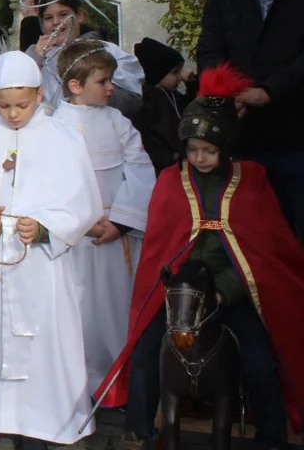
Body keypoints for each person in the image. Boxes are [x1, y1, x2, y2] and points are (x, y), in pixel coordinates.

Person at [97, 64, 304, 450]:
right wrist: (179, 289)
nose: (200, 158)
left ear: (226, 147)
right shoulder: (172, 181)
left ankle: (272, 436)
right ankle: (139, 429)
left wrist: (225, 290)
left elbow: (264, 254)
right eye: (193, 150)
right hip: (181, 295)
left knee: (260, 360)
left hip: (232, 292)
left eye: (209, 150)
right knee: (146, 352)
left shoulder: (252, 179)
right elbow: (162, 245)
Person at [0, 51, 102, 448]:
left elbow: (82, 202)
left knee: (43, 351)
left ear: (40, 94)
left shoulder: (62, 138)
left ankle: (40, 425)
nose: (12, 114)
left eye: (22, 105)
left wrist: (46, 227)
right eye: (3, 105)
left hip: (41, 269)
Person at [196, 0, 304, 239]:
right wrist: (227, 95)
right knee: (254, 245)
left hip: (298, 135)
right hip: (244, 138)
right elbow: (210, 53)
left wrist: (270, 91)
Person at [51, 40, 155, 397]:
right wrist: (82, 221)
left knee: (115, 307)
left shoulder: (118, 121)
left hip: (114, 236)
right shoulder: (53, 125)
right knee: (77, 309)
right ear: (75, 85)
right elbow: (50, 181)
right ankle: (75, 385)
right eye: (104, 81)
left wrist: (121, 221)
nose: (112, 87)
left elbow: (139, 167)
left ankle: (116, 383)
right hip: (75, 238)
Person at [24, 0, 144, 119]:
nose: (56, 22)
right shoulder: (36, 57)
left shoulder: (106, 50)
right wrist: (34, 59)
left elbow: (132, 102)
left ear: (79, 15)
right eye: (48, 18)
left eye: (63, 14)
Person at [133, 37, 195, 175]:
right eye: (174, 72)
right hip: (163, 168)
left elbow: (192, 106)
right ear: (157, 73)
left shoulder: (172, 95)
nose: (179, 77)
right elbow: (146, 137)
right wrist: (167, 157)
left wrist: (191, 82)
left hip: (180, 163)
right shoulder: (148, 101)